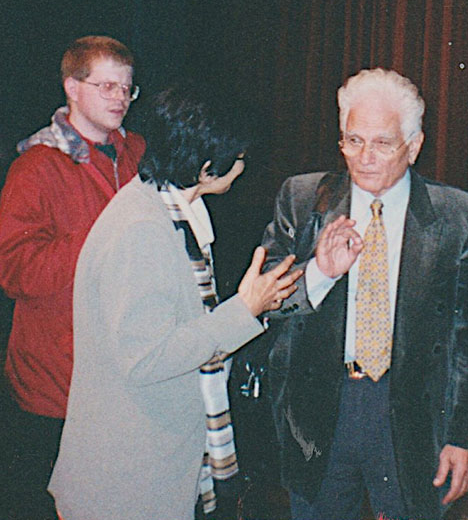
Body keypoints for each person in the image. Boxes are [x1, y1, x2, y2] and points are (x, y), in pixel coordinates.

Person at [47, 87, 302, 520]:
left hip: (146, 464)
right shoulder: (142, 229)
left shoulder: (172, 209)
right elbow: (146, 358)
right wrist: (245, 310)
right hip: (125, 481)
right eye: (238, 156)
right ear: (205, 167)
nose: (243, 166)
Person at [260, 68, 468, 519]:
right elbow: (268, 305)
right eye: (353, 140)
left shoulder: (460, 217)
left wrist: (464, 438)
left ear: (414, 145)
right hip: (319, 412)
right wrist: (320, 273)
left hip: (412, 418)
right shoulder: (304, 199)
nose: (364, 157)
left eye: (383, 143)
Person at [0, 35, 145, 519]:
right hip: (57, 383)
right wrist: (98, 239)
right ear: (72, 89)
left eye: (126, 89)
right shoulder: (35, 167)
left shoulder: (139, 154)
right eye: (106, 86)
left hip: (124, 375)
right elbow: (14, 270)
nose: (119, 99)